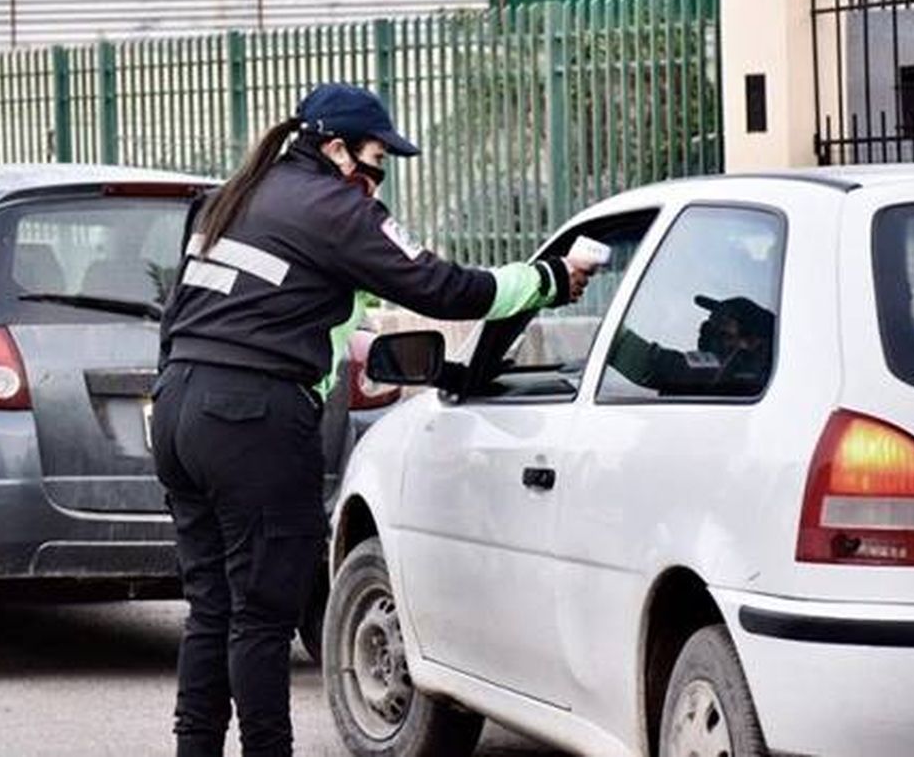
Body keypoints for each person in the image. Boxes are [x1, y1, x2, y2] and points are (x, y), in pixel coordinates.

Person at [152, 83, 594, 756]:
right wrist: (548, 280)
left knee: (212, 610)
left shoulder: (231, 197)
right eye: (374, 160)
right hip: (254, 421)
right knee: (263, 618)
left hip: (180, 408)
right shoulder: (330, 206)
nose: (377, 177)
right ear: (334, 148)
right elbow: (440, 286)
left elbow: (184, 314)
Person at [607, 294, 775, 397]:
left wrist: (605, 333)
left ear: (752, 341)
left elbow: (653, 365)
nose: (709, 325)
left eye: (722, 321)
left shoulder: (733, 368)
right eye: (711, 318)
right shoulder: (751, 369)